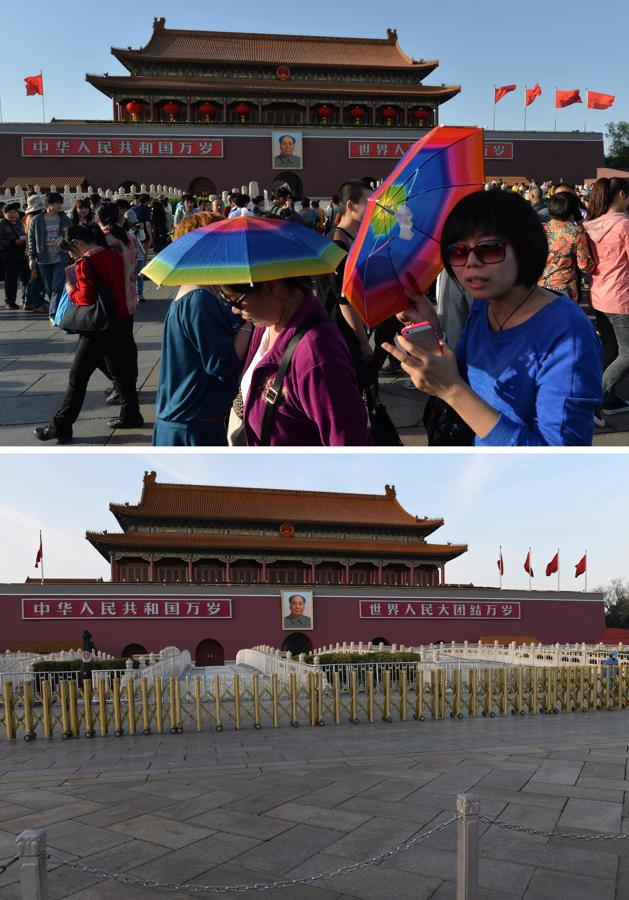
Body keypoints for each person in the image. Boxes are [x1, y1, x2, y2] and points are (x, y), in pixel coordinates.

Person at [383, 189, 603, 446]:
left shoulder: (568, 336)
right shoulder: (483, 305)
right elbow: (464, 372)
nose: (471, 262)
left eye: (489, 249)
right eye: (458, 251)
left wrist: (452, 391)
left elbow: (557, 464)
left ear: (524, 245)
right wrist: (432, 330)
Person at [218, 275, 372, 446]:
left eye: (236, 301)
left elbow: (347, 443)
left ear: (270, 286)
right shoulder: (268, 324)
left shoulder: (318, 357)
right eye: (225, 299)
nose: (234, 310)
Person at [33, 224, 143, 443]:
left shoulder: (86, 262)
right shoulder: (112, 254)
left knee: (78, 376)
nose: (71, 255)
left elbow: (87, 298)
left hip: (98, 327)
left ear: (79, 243)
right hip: (119, 317)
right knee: (119, 370)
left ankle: (61, 425)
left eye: (71, 250)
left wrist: (70, 290)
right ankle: (131, 414)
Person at [153, 213, 252, 446]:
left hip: (188, 419)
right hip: (193, 424)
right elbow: (224, 364)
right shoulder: (199, 299)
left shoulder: (200, 291)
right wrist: (250, 321)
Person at [584, 177, 629, 417]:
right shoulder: (623, 225)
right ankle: (597, 397)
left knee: (610, 349)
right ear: (622, 195)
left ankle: (607, 398)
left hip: (598, 294)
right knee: (628, 354)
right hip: (621, 296)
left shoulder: (590, 225)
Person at [327, 180, 374, 390]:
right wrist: (363, 342)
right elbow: (343, 300)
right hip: (341, 331)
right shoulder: (337, 244)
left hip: (350, 327)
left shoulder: (350, 239)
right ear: (351, 206)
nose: (373, 207)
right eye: (368, 202)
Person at [539, 192, 596, 302]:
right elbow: (585, 266)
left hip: (540, 287)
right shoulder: (576, 232)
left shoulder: (540, 229)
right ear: (573, 212)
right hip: (565, 289)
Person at [27, 192, 71, 320]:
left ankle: (53, 315)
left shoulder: (65, 219)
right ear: (48, 204)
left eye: (60, 202)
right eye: (57, 203)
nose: (60, 205)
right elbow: (31, 240)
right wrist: (31, 257)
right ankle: (56, 310)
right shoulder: (37, 220)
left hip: (61, 257)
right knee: (49, 288)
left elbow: (70, 237)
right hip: (43, 258)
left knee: (57, 287)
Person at [0, 200, 29, 309]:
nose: (13, 214)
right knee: (11, 278)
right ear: (4, 213)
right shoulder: (1, 224)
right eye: (10, 212)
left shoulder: (20, 222)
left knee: (26, 277)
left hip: (22, 253)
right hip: (9, 254)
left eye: (15, 212)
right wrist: (12, 242)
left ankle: (26, 299)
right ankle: (10, 301)